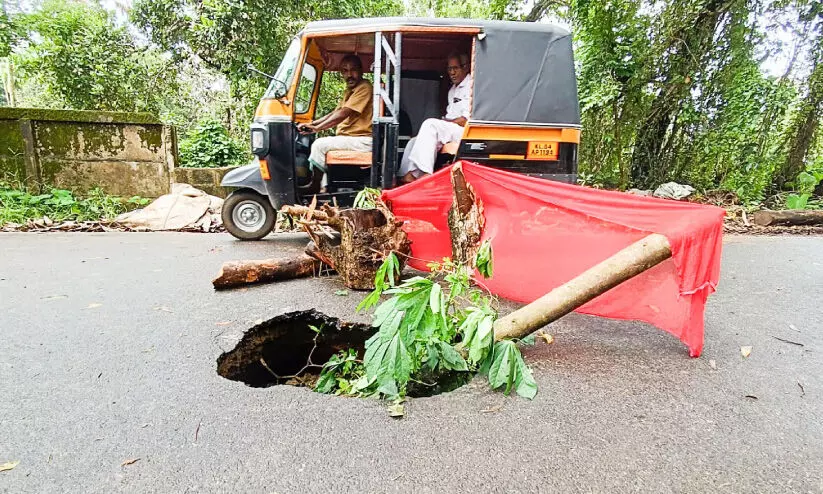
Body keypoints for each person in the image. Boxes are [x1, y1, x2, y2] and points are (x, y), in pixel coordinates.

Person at [298, 54, 373, 187]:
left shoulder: (364, 87)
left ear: (361, 70)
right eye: (345, 71)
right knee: (322, 144)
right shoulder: (350, 90)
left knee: (319, 145)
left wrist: (318, 128)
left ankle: (314, 187)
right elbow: (336, 112)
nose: (349, 74)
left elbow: (344, 113)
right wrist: (313, 124)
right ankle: (325, 186)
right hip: (352, 139)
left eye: (353, 69)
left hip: (362, 140)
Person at [398, 52, 472, 183]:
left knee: (430, 124)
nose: (452, 73)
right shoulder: (453, 90)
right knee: (414, 140)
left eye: (455, 68)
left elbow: (465, 120)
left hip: (465, 131)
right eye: (449, 69)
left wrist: (445, 123)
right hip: (452, 128)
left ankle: (425, 174)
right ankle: (405, 176)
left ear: (465, 67)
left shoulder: (471, 86)